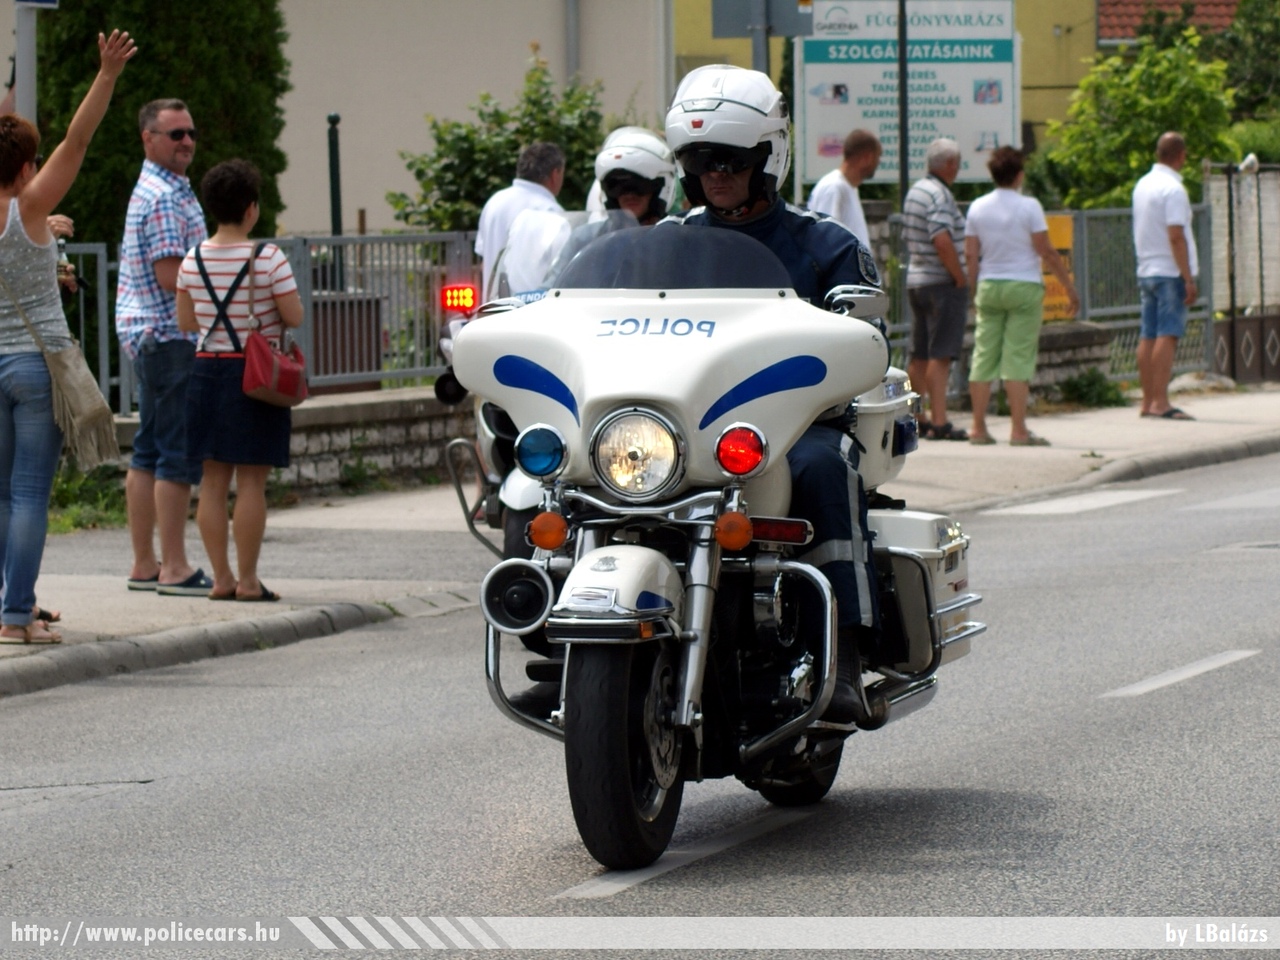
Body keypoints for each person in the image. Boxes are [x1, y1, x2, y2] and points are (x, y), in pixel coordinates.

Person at [665, 64, 883, 723]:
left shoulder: (823, 245)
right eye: (701, 160)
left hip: (795, 426)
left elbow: (869, 338)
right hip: (687, 426)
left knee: (823, 468)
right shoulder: (669, 244)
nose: (716, 174)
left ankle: (844, 656)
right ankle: (572, 641)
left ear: (768, 159)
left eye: (731, 159)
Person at [0, 30, 135, 644]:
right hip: (37, 368)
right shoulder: (30, 207)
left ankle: (6, 609)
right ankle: (17, 617)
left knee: (2, 495)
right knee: (30, 493)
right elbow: (77, 141)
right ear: (27, 167)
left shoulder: (32, 214)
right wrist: (106, 74)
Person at [175, 160, 302, 602]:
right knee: (251, 482)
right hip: (253, 375)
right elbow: (294, 316)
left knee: (211, 482)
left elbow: (186, 320)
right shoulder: (267, 258)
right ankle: (249, 581)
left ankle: (221, 578)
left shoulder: (192, 259)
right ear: (251, 209)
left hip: (206, 370)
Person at [116, 97, 209, 596]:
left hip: (151, 335)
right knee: (175, 452)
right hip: (172, 335)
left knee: (148, 450)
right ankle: (174, 567)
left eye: (190, 132)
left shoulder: (159, 188)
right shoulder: (165, 197)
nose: (187, 141)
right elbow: (172, 275)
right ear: (148, 139)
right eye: (176, 134)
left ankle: (144, 564)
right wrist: (223, 289)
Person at [964, 146, 1078, 446]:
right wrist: (1068, 287)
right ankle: (1018, 430)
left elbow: (971, 254)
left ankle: (977, 427)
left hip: (990, 284)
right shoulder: (1029, 207)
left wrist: (973, 291)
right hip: (1024, 284)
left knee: (983, 355)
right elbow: (1046, 251)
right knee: (1018, 358)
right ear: (1019, 175)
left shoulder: (977, 207)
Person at [902, 138, 969, 442]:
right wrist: (959, 276)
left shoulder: (916, 191)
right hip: (941, 283)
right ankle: (939, 421)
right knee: (940, 355)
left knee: (919, 355)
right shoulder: (940, 195)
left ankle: (917, 417)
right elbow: (941, 238)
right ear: (950, 164)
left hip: (917, 280)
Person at [1132, 132, 1199, 420]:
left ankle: (1147, 402)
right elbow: (1175, 235)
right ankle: (1161, 402)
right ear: (1181, 156)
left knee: (1148, 335)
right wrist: (1188, 277)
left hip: (1146, 268)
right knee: (1168, 334)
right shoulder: (1173, 190)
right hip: (1170, 271)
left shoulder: (1142, 185)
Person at [474, 142, 565, 301]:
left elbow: (484, 261)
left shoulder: (494, 202)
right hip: (530, 308)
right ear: (555, 174)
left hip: (492, 307)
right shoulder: (550, 210)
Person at [806, 129, 881, 248]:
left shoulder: (849, 187)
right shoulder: (833, 188)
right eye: (877, 157)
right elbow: (825, 242)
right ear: (867, 157)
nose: (878, 162)